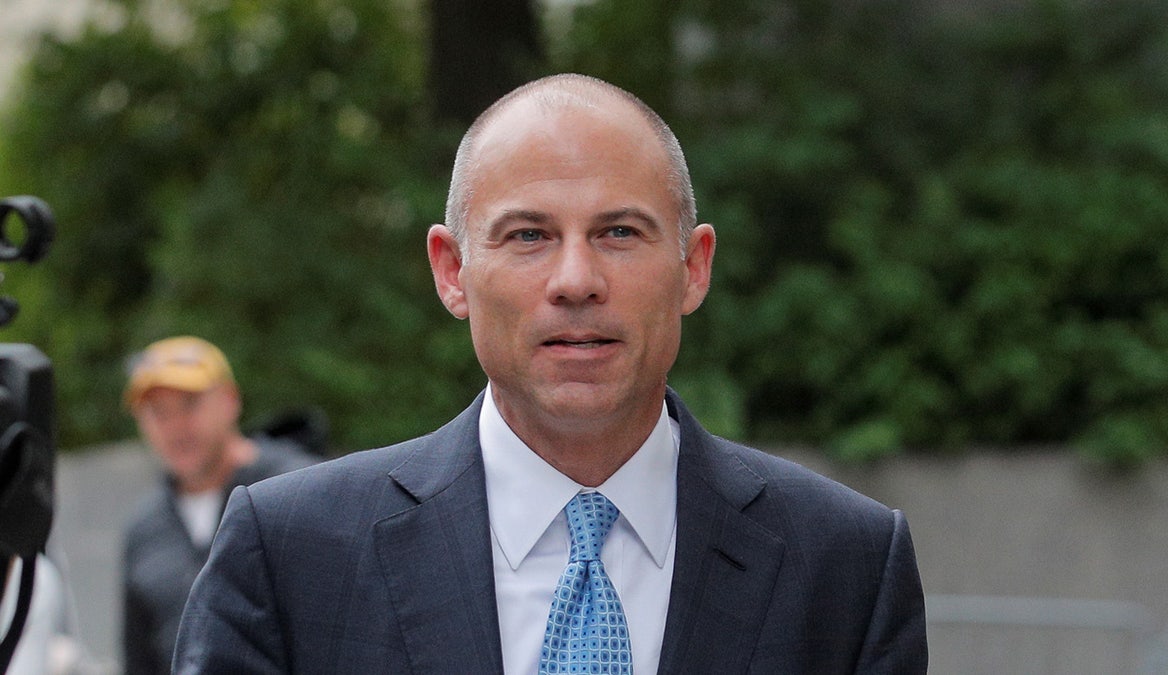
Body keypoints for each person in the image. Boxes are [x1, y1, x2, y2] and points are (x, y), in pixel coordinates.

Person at [173, 74, 927, 673]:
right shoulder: (293, 554)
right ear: (453, 271)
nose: (576, 280)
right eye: (529, 235)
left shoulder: (844, 565)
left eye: (619, 232)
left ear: (693, 268)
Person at [120, 336, 317, 675]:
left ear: (230, 400)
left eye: (189, 404)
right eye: (158, 412)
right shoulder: (143, 530)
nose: (175, 426)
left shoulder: (296, 489)